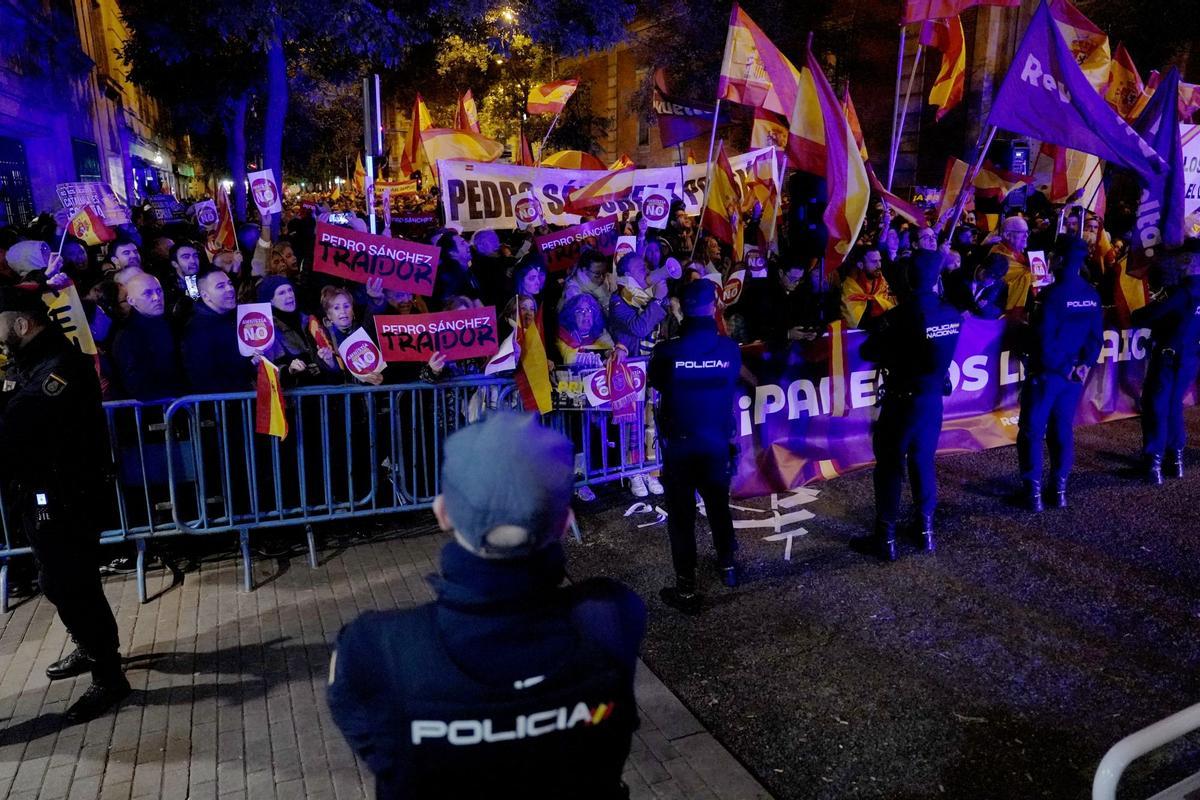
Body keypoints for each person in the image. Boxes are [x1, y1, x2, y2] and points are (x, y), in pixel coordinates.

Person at [327, 413, 645, 800]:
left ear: (442, 513)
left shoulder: (374, 647)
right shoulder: (612, 614)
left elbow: (375, 744)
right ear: (565, 523)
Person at [0, 286, 129, 722]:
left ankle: (108, 676)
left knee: (69, 582)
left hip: (68, 494)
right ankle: (92, 646)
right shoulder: (28, 361)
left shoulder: (59, 367)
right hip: (41, 492)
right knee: (65, 580)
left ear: (22, 324)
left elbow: (20, 421)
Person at [855, 251, 962, 561]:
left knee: (889, 467)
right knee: (923, 462)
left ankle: (885, 538)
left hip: (902, 403)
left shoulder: (898, 318)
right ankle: (925, 531)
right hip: (932, 402)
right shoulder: (951, 314)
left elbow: (870, 350)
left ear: (906, 279)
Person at [648, 281, 742, 613]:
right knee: (718, 506)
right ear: (714, 306)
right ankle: (728, 566)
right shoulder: (729, 349)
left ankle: (686, 588)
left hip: (680, 448)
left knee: (682, 518)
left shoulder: (667, 351)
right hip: (716, 443)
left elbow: (657, 382)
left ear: (681, 307)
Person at [1016, 238, 1104, 510]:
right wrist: (1083, 364)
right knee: (1061, 428)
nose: (1050, 259)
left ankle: (1033, 494)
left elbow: (1042, 339)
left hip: (1048, 373)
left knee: (1031, 430)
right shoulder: (1091, 294)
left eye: (1054, 255)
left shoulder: (1051, 296)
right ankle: (1060, 489)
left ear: (1061, 259)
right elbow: (1095, 338)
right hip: (1073, 376)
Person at [1131, 240, 1200, 483]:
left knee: (1156, 406)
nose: (1180, 263)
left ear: (1192, 261)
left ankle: (1154, 464)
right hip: (1190, 357)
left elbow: (1153, 314)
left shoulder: (1185, 291)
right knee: (1174, 406)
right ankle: (1176, 459)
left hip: (1169, 357)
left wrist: (1135, 316)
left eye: (1185, 258)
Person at [181, 269, 256, 393]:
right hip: (221, 405)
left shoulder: (237, 318)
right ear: (205, 295)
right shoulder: (197, 331)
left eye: (230, 284)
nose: (229, 289)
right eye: (220, 286)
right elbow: (203, 377)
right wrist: (247, 365)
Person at [112, 272, 184, 400]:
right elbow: (136, 384)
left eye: (159, 291)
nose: (157, 297)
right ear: (131, 300)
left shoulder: (173, 324)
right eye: (147, 293)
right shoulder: (127, 336)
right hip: (156, 411)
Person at [841, 247, 895, 329]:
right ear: (860, 265)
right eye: (874, 261)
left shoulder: (881, 282)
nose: (879, 265)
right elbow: (851, 320)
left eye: (879, 260)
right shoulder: (849, 289)